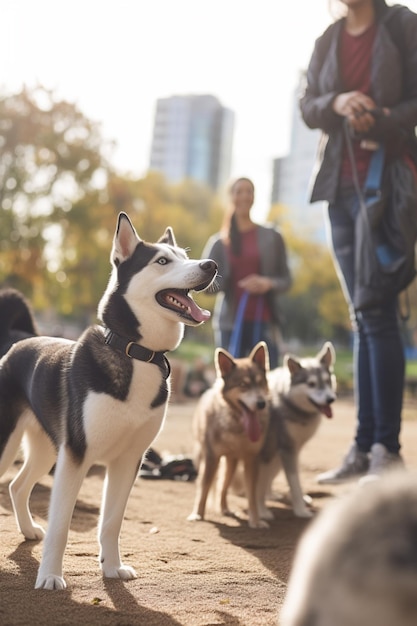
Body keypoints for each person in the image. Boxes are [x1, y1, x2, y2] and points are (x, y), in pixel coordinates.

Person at [300, 0, 417, 483]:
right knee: (362, 317)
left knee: (378, 312)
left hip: (386, 186)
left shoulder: (403, 24)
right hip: (338, 188)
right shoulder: (327, 39)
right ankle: (363, 447)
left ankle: (385, 452)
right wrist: (337, 102)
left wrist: (383, 114)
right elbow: (308, 107)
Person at [202, 177, 291, 369]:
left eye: (249, 191)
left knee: (267, 380)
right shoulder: (218, 243)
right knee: (232, 383)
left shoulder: (272, 236)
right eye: (239, 191)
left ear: (254, 197)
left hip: (265, 321)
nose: (244, 196)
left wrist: (268, 283)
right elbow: (204, 287)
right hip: (230, 324)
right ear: (231, 198)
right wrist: (227, 280)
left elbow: (287, 280)